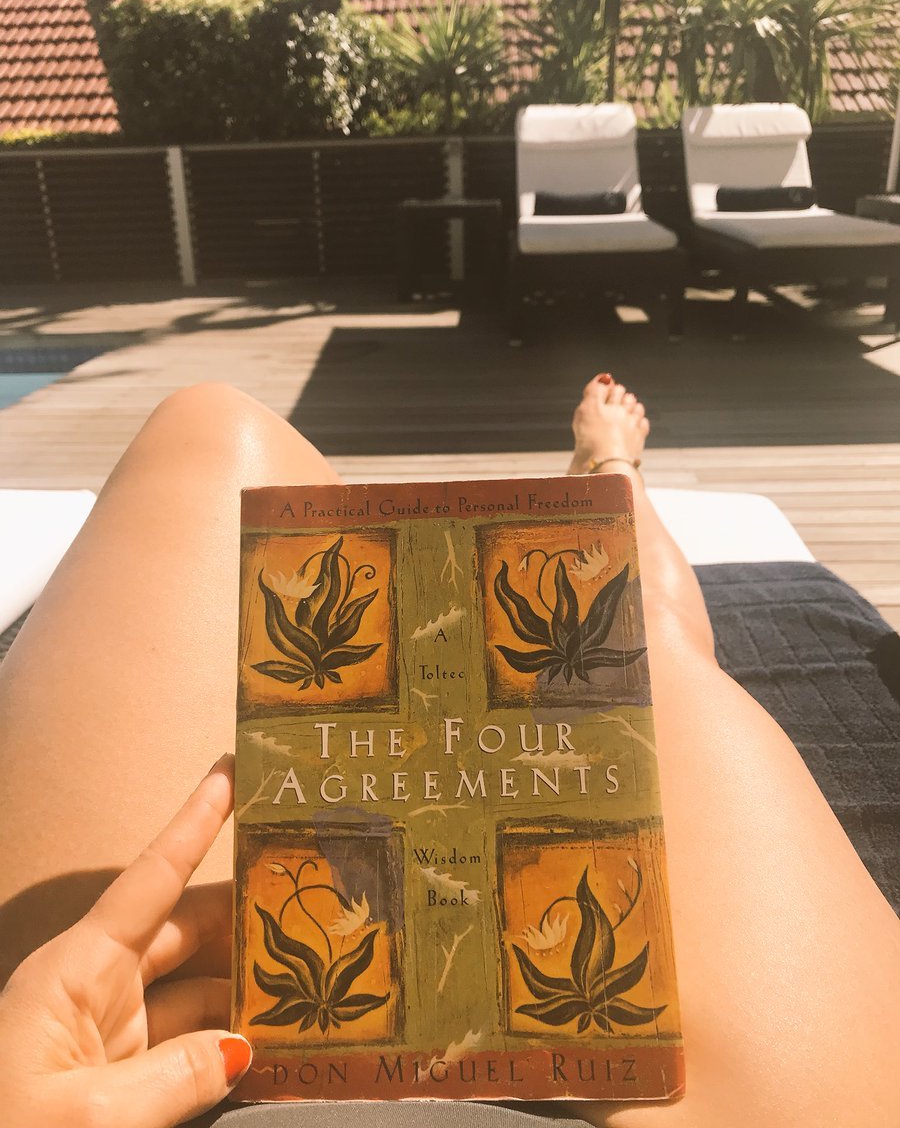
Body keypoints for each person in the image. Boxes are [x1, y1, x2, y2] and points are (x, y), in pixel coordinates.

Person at [0, 376, 898, 1128]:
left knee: (210, 428)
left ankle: (561, 508)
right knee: (635, 642)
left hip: (151, 1085)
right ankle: (605, 478)